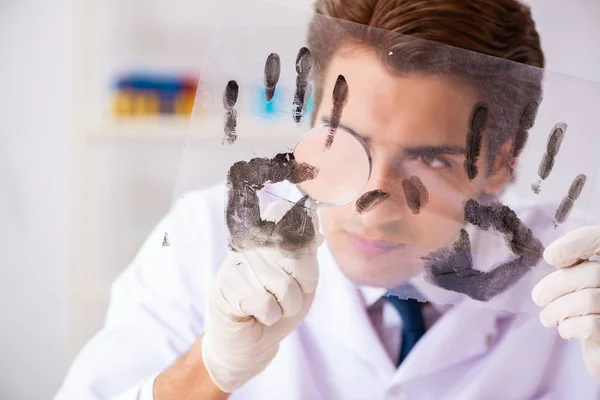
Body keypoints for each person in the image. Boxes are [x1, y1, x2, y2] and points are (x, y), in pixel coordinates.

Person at [56, 0, 600, 399]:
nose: (372, 200)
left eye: (431, 160)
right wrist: (213, 370)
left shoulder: (575, 279)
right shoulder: (206, 236)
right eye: (344, 142)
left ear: (501, 165)